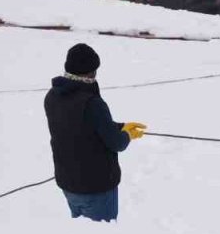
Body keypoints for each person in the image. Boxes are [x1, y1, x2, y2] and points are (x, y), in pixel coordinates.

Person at [44, 43, 146, 222]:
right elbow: (117, 143)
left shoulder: (52, 96)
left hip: (68, 184)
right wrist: (127, 135)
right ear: (90, 71)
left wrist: (120, 126)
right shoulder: (91, 103)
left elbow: (80, 126)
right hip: (96, 188)